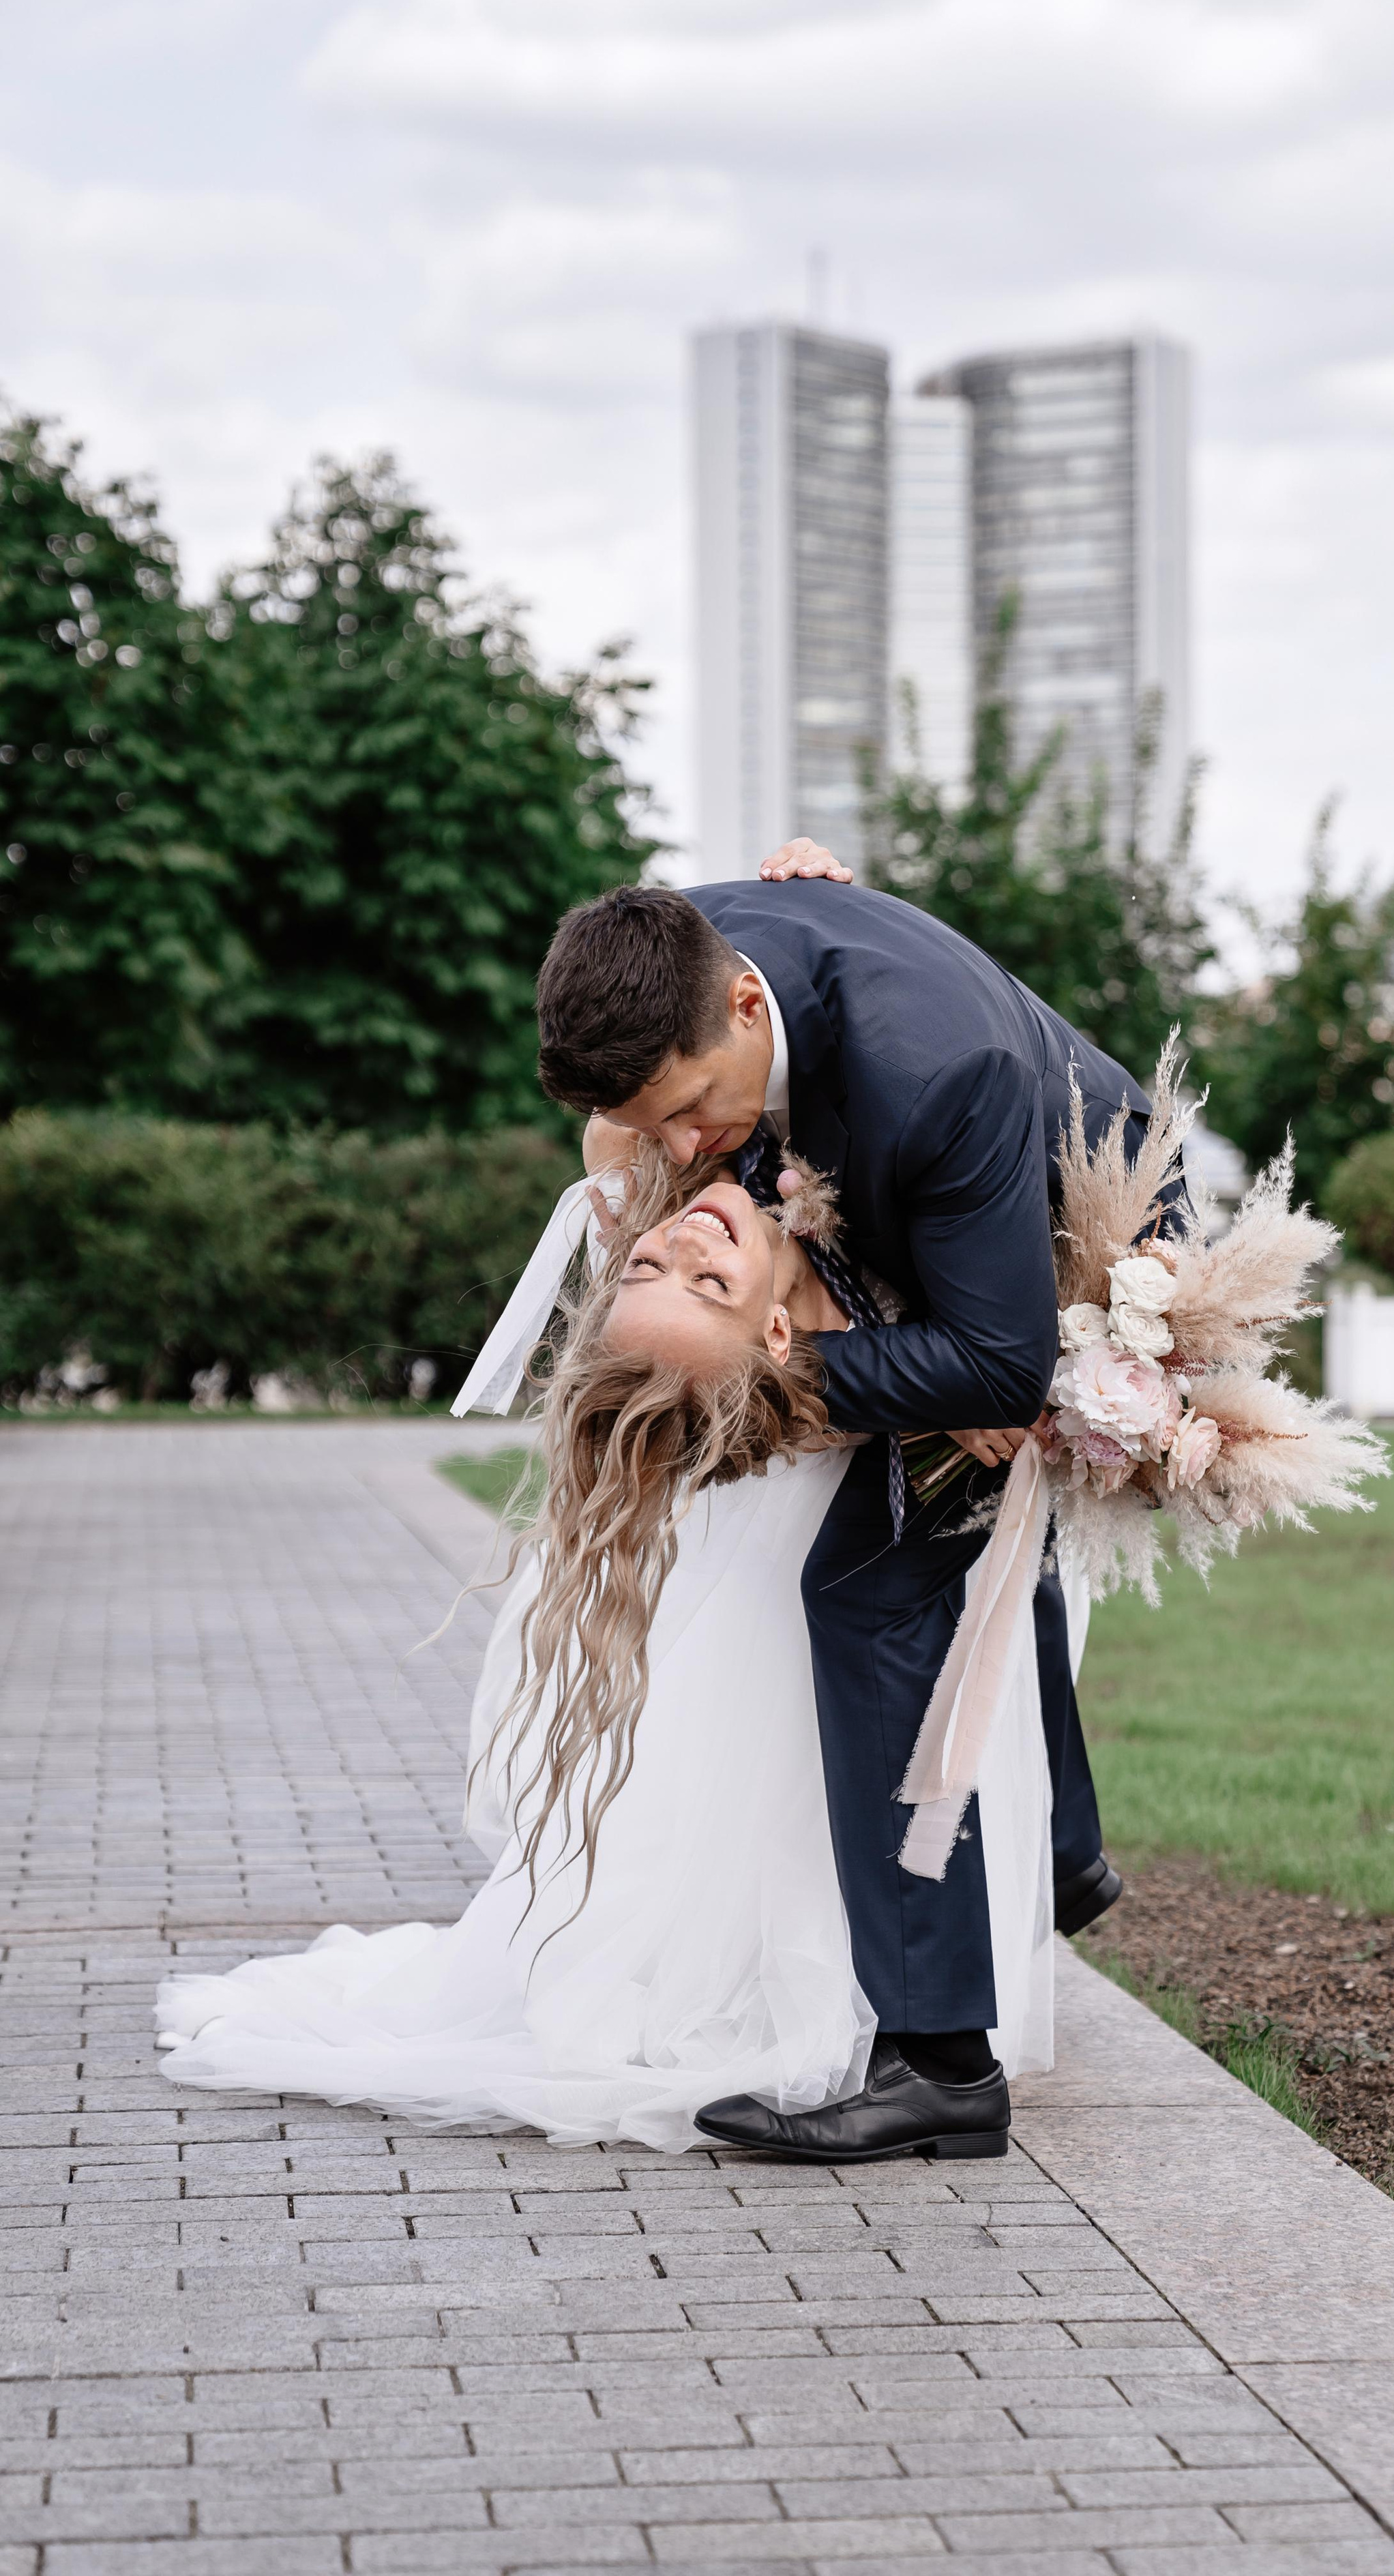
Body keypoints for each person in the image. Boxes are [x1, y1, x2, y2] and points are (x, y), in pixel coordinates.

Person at [155, 1143, 1058, 2155]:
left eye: (662, 1266)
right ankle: (867, 1986)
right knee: (785, 1751)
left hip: (854, 1515)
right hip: (813, 1510)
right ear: (770, 1336)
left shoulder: (704, 1153)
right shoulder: (783, 1331)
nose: (680, 1246)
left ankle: (1002, 1914)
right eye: (681, 1272)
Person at [533, 866, 1181, 2162]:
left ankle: (940, 2066)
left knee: (872, 1586)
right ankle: (1061, 1850)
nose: (679, 1151)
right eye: (646, 1125)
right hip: (909, 1203)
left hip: (1063, 1241)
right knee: (964, 1541)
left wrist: (759, 1377)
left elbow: (996, 1369)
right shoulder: (680, 951)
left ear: (741, 1005)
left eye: (691, 1112)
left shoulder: (936, 1074)